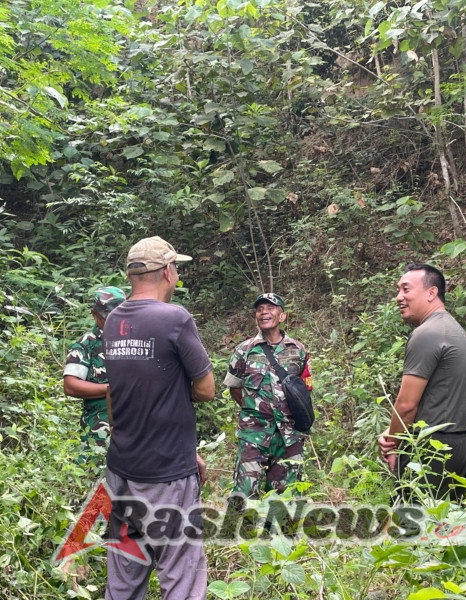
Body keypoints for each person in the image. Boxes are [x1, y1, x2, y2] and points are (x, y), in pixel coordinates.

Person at [103, 236, 214, 600]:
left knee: (123, 581)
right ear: (167, 271)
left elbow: (118, 397)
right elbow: (206, 389)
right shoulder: (175, 318)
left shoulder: (112, 320)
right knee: (181, 579)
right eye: (176, 267)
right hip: (166, 475)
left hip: (121, 470)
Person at [377, 263, 466, 502]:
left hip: (431, 451)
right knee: (446, 532)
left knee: (413, 531)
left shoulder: (427, 333)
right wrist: (394, 432)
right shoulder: (452, 329)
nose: (399, 297)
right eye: (398, 290)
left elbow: (406, 405)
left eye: (406, 289)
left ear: (432, 293)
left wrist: (393, 445)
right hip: (459, 445)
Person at [224, 292, 312, 499]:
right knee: (244, 494)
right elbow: (234, 388)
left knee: (286, 496)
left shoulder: (298, 350)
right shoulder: (244, 350)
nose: (264, 312)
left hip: (289, 436)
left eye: (270, 308)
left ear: (282, 316)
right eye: (260, 309)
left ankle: (279, 532)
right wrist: (256, 412)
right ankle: (241, 531)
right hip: (253, 435)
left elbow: (304, 391)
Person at [63, 286, 126, 463]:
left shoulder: (134, 339)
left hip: (133, 429)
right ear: (95, 314)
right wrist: (111, 390)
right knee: (96, 483)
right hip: (98, 431)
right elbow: (70, 385)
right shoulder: (86, 345)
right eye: (109, 317)